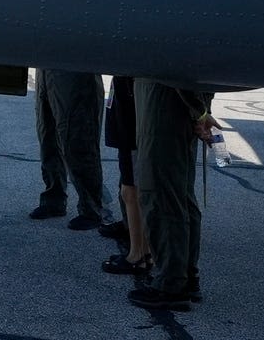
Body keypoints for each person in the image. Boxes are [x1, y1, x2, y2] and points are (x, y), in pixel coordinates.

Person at [128, 79, 212, 312]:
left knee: (161, 195)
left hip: (164, 108)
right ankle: (185, 276)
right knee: (181, 195)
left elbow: (174, 63)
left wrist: (199, 110)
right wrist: (201, 110)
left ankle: (171, 284)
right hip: (176, 105)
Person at [29, 69, 108, 232]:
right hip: (46, 65)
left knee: (78, 138)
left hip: (74, 66)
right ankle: (54, 199)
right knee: (47, 135)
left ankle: (91, 208)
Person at [99, 75, 151, 277]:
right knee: (130, 188)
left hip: (131, 119)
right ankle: (144, 252)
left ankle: (137, 255)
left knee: (131, 190)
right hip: (127, 113)